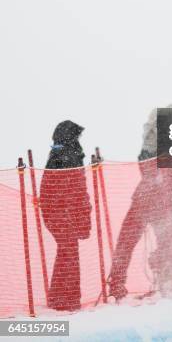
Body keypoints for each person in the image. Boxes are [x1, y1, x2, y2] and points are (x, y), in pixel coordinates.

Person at [109, 106, 172, 300]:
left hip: (147, 198)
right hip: (170, 200)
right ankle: (169, 281)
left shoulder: (159, 140)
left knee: (127, 240)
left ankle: (117, 284)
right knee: (164, 241)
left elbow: (145, 164)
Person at [39, 120, 91, 312]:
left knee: (66, 252)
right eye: (77, 135)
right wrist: (80, 214)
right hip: (61, 213)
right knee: (69, 252)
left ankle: (61, 298)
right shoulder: (69, 155)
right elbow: (75, 189)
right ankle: (66, 299)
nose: (79, 139)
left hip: (57, 213)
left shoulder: (57, 153)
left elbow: (66, 189)